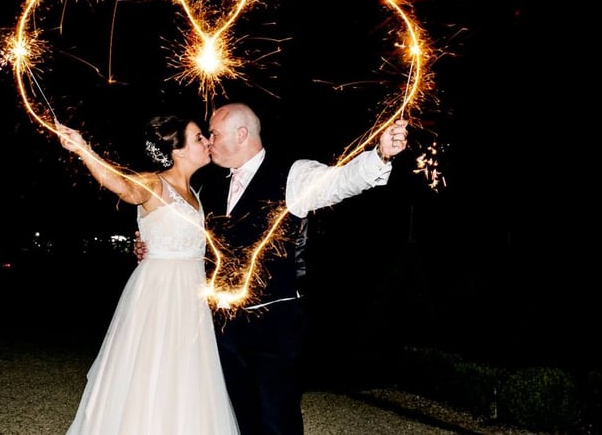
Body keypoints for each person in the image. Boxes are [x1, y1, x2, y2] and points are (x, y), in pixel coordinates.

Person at [135, 102, 409, 435]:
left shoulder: (291, 174)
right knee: (236, 417)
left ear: (241, 134)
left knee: (277, 419)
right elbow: (185, 234)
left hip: (274, 324)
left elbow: (340, 181)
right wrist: (150, 243)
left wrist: (380, 155)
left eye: (215, 134)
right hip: (219, 327)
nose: (209, 141)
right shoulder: (207, 186)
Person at [56, 115, 240, 435]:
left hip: (191, 295)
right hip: (159, 294)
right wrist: (83, 149)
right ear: (177, 150)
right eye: (199, 138)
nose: (207, 142)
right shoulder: (154, 183)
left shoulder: (195, 193)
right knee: (151, 367)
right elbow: (121, 186)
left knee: (187, 373)